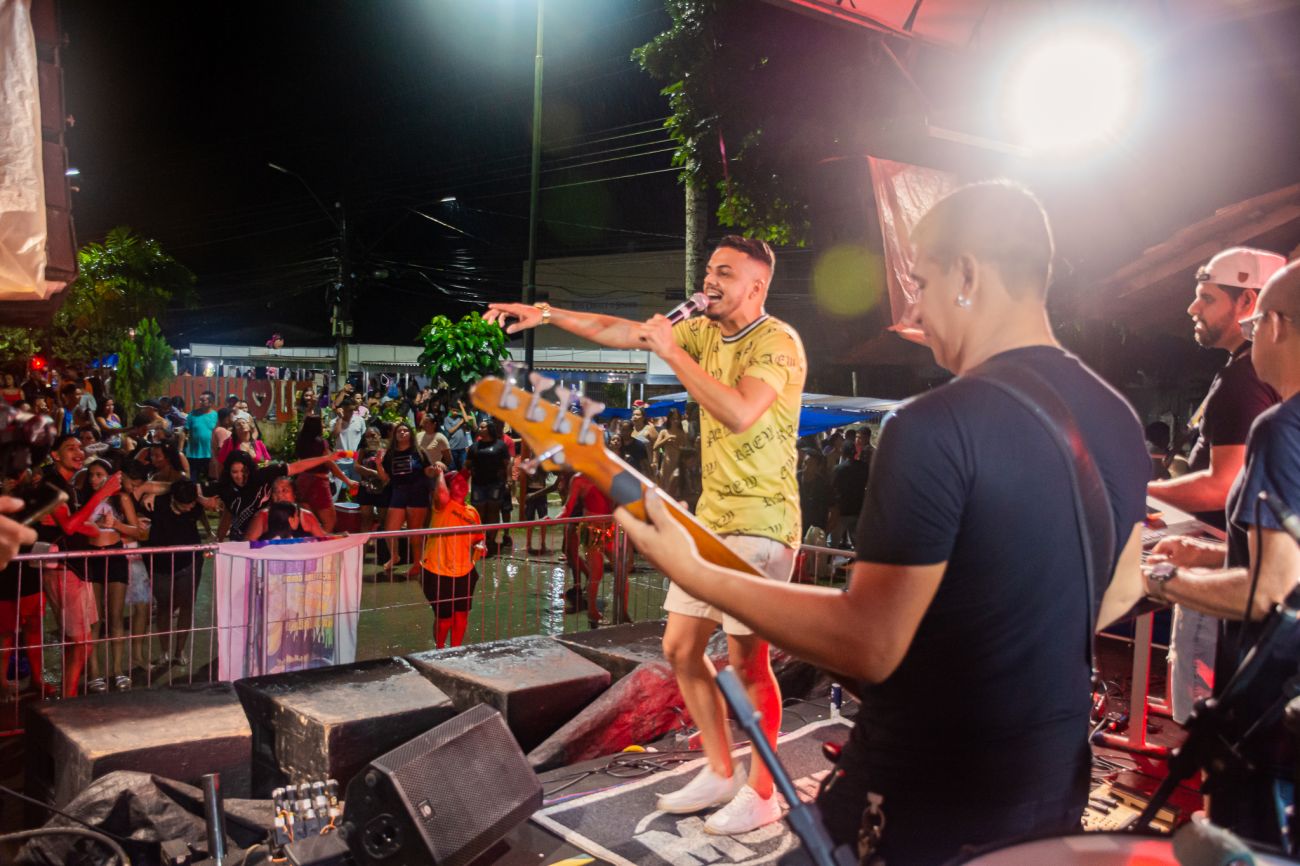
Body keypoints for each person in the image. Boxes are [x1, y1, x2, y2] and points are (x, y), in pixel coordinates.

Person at [615, 183, 1150, 863]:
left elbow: (869, 643)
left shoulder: (934, 426)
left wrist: (696, 570)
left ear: (966, 274)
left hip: (926, 788)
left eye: (920, 284)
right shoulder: (1115, 415)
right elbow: (1118, 596)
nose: (914, 313)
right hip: (1051, 778)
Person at [488, 234, 807, 835]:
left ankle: (763, 792)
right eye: (709, 270)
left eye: (725, 273)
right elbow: (621, 330)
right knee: (681, 648)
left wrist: (672, 353)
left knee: (747, 663)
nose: (710, 280)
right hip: (711, 520)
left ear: (756, 286)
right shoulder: (701, 331)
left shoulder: (777, 342)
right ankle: (720, 769)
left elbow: (740, 412)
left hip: (762, 523)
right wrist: (546, 314)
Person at [1141, 259, 1300, 847]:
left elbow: (1267, 592)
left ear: (1275, 325)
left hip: (1268, 702)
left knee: (1237, 844)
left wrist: (1157, 578)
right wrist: (1210, 556)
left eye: (1257, 327)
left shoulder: (1279, 428)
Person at [1147, 247, 1284, 723]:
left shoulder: (1245, 383)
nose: (1192, 308)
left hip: (1224, 574)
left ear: (1249, 304)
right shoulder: (1257, 382)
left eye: (1207, 298)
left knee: (1202, 714)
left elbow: (1224, 485)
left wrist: (1142, 492)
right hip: (1232, 559)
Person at [419, 467, 485, 648]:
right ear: (447, 487)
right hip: (437, 571)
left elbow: (479, 537)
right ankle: (440, 650)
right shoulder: (443, 506)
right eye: (456, 482)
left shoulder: (472, 512)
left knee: (461, 615)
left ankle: (456, 650)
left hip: (465, 571)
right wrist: (440, 473)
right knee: (444, 618)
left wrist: (480, 545)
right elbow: (441, 495)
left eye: (464, 481)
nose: (462, 484)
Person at [375, 422, 435, 573]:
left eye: (405, 430)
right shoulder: (390, 454)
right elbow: (385, 478)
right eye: (399, 431)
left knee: (414, 531)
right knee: (390, 530)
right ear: (395, 435)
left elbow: (428, 472)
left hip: (418, 493)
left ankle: (417, 563)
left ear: (411, 434)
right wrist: (378, 464)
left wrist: (437, 468)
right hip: (398, 493)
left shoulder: (419, 452)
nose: (402, 433)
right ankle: (394, 556)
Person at [293, 414, 356, 533]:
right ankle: (322, 543)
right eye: (321, 422)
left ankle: (312, 543)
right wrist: (347, 481)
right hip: (318, 484)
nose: (323, 425)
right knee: (330, 522)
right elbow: (329, 463)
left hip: (302, 481)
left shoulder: (301, 442)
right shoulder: (321, 443)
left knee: (309, 522)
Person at [466, 419, 511, 557]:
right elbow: (467, 464)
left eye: (483, 427)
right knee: (478, 512)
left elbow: (507, 463)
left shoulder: (500, 445)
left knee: (493, 511)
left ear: (489, 429)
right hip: (478, 484)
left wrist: (508, 480)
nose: (480, 429)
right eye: (480, 427)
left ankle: (491, 541)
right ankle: (480, 540)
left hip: (495, 483)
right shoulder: (474, 447)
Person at [245, 476, 327, 541]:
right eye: (276, 491)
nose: (280, 495)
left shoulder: (307, 516)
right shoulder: (262, 516)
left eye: (285, 490)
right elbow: (247, 546)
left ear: (294, 494)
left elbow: (323, 542)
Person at [827, 441, 870, 549]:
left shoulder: (838, 469)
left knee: (833, 544)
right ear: (855, 453)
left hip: (842, 510)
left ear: (843, 453)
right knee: (858, 545)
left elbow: (832, 488)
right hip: (858, 509)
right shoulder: (864, 467)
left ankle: (830, 560)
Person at [181, 391, 218, 482]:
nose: (200, 402)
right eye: (200, 400)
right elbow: (184, 431)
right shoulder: (192, 414)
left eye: (203, 400)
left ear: (211, 402)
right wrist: (180, 449)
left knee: (210, 481)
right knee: (192, 481)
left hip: (210, 454)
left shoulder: (216, 415)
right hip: (193, 454)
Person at [443, 402, 472, 471]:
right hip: (453, 447)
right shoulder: (447, 419)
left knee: (463, 467)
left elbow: (467, 420)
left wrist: (461, 407)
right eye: (454, 410)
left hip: (463, 447)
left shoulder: (461, 417)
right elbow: (450, 431)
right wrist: (460, 423)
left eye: (457, 411)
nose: (455, 412)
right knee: (453, 468)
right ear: (450, 409)